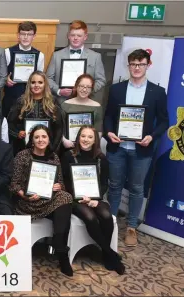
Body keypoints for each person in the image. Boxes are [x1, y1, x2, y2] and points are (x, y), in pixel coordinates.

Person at [103, 49, 169, 247]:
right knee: (114, 186)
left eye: (140, 64)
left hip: (142, 149)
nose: (136, 68)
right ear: (128, 65)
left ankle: (131, 226)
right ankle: (111, 223)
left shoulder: (157, 92)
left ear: (148, 65)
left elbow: (164, 121)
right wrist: (108, 133)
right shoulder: (116, 89)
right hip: (118, 146)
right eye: (133, 64)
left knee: (137, 188)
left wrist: (152, 136)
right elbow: (108, 116)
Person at [60, 125, 125, 274]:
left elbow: (103, 184)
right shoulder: (68, 155)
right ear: (78, 138)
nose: (86, 140)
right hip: (75, 198)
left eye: (90, 137)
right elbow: (64, 181)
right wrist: (79, 196)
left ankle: (106, 254)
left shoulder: (102, 159)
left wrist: (95, 198)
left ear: (95, 139)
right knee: (90, 217)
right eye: (83, 136)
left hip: (95, 197)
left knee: (106, 216)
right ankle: (110, 254)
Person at [9, 125, 73, 276]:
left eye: (44, 137)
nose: (40, 140)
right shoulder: (22, 156)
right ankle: (61, 250)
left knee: (66, 197)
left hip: (48, 200)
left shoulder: (54, 157)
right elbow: (13, 185)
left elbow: (61, 184)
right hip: (28, 202)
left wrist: (58, 186)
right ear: (32, 140)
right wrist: (25, 195)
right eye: (37, 137)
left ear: (49, 139)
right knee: (64, 210)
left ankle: (59, 247)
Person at [46, 20, 106, 104]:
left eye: (79, 35)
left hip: (85, 102)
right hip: (61, 101)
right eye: (73, 35)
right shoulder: (57, 55)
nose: (75, 38)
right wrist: (58, 91)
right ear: (68, 36)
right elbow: (48, 78)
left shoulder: (95, 57)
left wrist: (86, 90)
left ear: (85, 37)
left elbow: (101, 80)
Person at [8, 71, 64, 155]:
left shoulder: (53, 101)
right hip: (24, 149)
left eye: (40, 82)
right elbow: (9, 123)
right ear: (29, 84)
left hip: (48, 150)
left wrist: (53, 149)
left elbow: (59, 128)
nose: (36, 85)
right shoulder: (21, 101)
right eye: (33, 82)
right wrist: (17, 133)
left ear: (45, 84)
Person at [3, 21, 45, 118]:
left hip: (31, 100)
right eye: (23, 34)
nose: (25, 37)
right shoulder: (7, 52)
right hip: (11, 99)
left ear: (34, 36)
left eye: (29, 34)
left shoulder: (40, 55)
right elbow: (1, 75)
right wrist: (5, 80)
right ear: (18, 35)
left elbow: (40, 79)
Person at [61, 74, 103, 150]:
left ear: (92, 89)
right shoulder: (65, 105)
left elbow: (99, 131)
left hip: (88, 149)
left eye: (88, 87)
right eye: (82, 86)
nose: (84, 90)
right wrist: (64, 141)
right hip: (68, 147)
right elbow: (59, 128)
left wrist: (92, 144)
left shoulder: (97, 107)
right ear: (76, 86)